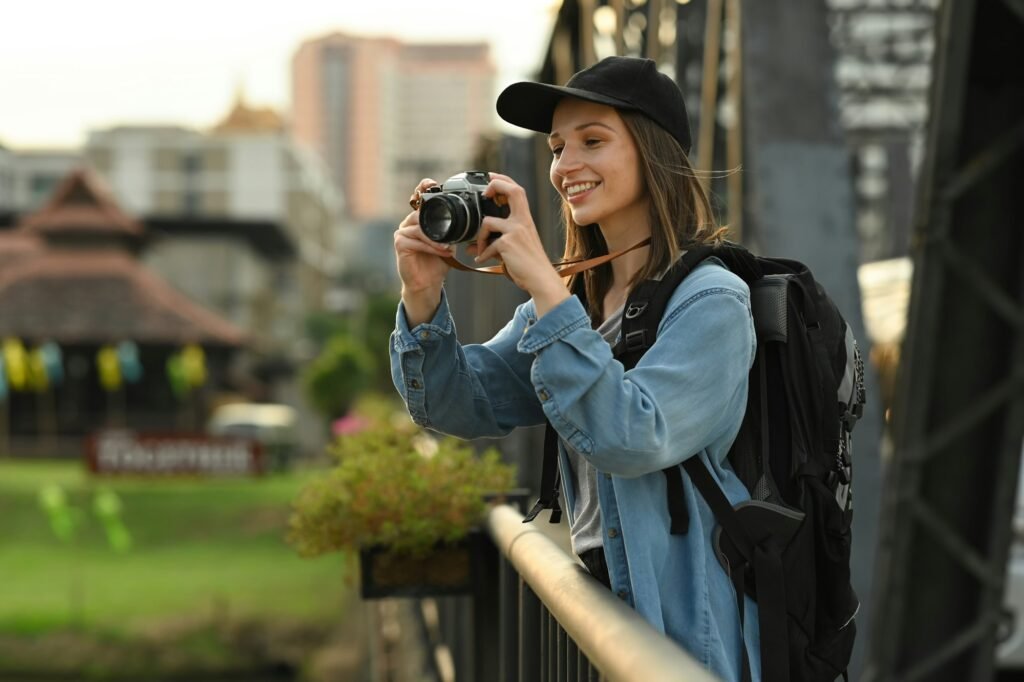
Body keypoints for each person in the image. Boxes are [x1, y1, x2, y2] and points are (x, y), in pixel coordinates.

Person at [390, 56, 759, 680]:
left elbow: (631, 437)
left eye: (593, 141)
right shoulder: (573, 304)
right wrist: (422, 295)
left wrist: (544, 286)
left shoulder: (712, 301)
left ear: (653, 152)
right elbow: (458, 404)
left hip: (683, 638)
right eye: (558, 148)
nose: (566, 167)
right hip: (598, 630)